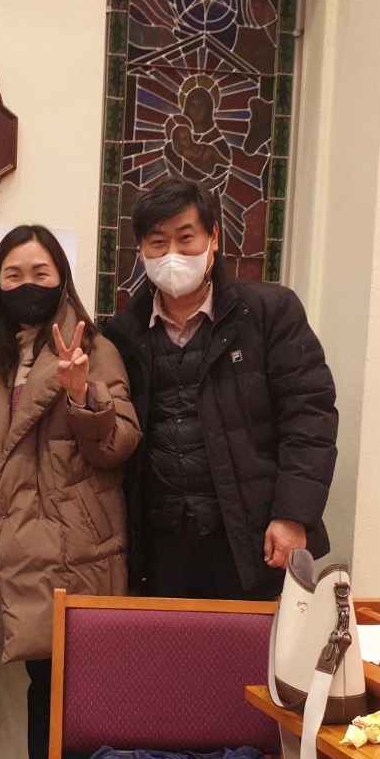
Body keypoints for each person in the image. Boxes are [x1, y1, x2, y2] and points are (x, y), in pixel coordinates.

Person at [0, 225, 141, 759]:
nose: (28, 286)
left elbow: (119, 444)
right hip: (20, 544)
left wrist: (80, 394)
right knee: (45, 681)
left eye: (40, 273)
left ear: (62, 277)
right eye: (13, 275)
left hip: (79, 546)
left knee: (77, 685)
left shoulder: (95, 348)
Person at [103, 178, 338, 601]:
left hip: (252, 540)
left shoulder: (269, 312)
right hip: (158, 547)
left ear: (213, 238)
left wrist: (293, 514)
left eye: (185, 237)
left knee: (250, 644)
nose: (172, 254)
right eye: (157, 242)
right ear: (141, 251)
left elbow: (310, 417)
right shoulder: (123, 333)